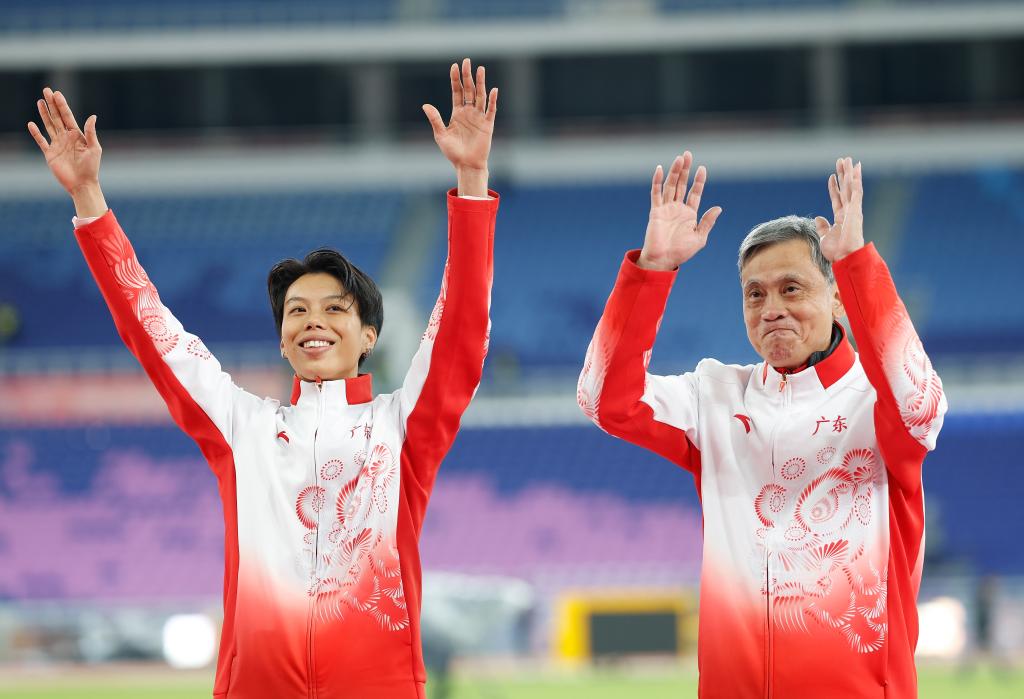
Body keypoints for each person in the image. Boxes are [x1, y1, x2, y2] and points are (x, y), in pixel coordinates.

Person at [28, 59, 499, 699]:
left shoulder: (401, 429)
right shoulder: (242, 429)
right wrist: (89, 200)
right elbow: (153, 332)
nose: (313, 321)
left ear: (369, 336)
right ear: (281, 339)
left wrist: (471, 181)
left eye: (335, 309)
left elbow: (461, 330)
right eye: (296, 311)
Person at [578, 152, 946, 698]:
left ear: (836, 298)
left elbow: (921, 405)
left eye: (791, 288)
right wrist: (652, 269)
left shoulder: (877, 400)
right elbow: (602, 399)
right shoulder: (715, 397)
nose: (771, 308)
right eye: (755, 293)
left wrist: (857, 265)